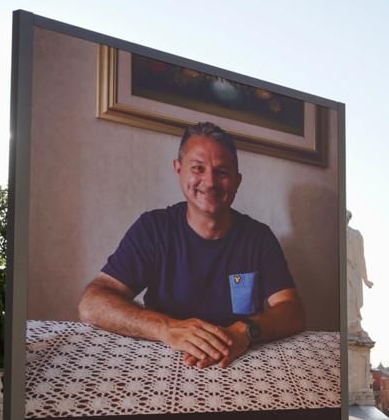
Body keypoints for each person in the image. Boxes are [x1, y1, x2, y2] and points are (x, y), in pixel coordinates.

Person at [78, 122, 305, 368]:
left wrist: (244, 331)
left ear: (237, 181)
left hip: (238, 363)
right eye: (198, 168)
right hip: (163, 364)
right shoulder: (153, 228)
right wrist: (166, 328)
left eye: (222, 172)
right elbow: (92, 304)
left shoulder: (259, 237)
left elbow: (291, 311)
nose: (209, 182)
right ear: (178, 170)